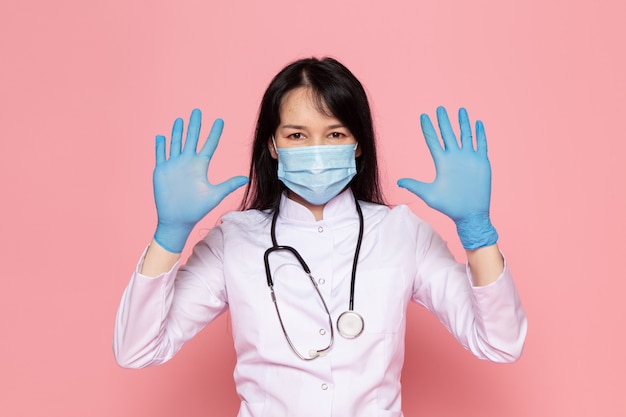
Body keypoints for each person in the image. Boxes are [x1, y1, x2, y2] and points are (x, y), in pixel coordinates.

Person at [114, 57, 527, 417]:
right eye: (297, 135)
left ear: (358, 144)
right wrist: (169, 237)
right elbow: (137, 349)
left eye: (334, 134)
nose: (316, 148)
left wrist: (477, 232)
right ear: (272, 145)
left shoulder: (402, 232)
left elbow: (500, 343)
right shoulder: (233, 241)